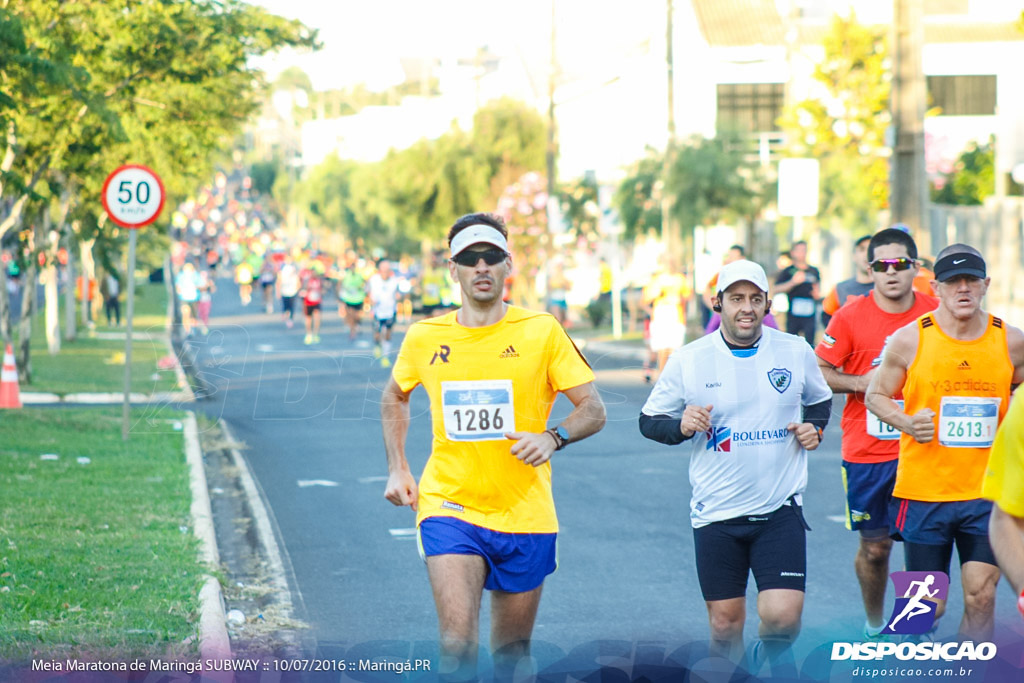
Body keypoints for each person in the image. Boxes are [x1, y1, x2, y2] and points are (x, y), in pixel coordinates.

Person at [382, 212, 606, 681]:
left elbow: (593, 408)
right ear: (454, 269)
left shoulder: (541, 330)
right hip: (450, 504)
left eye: (491, 258)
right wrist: (398, 467)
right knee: (455, 645)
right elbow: (394, 394)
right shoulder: (425, 337)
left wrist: (553, 436)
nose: (481, 267)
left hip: (525, 512)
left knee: (511, 655)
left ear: (508, 265)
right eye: (470, 259)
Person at [639, 259, 832, 675]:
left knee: (783, 618)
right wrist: (681, 425)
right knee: (725, 625)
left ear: (767, 303)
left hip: (779, 511)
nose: (747, 308)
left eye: (755, 299)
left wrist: (814, 429)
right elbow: (649, 421)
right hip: (716, 514)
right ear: (718, 303)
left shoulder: (794, 351)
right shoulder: (690, 359)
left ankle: (765, 656)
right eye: (737, 299)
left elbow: (819, 399)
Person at [865, 243, 1024, 641]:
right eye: (954, 282)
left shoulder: (1012, 342)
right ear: (936, 287)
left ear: (986, 284)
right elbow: (875, 396)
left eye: (972, 280)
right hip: (925, 492)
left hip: (985, 494)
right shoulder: (909, 340)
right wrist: (906, 421)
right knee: (923, 608)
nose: (964, 289)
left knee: (981, 595)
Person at [815, 228, 938, 641]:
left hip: (925, 448)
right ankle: (874, 622)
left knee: (921, 546)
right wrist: (862, 383)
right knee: (876, 546)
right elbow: (820, 373)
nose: (891, 273)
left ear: (915, 268)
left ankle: (915, 629)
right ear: (869, 270)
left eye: (900, 264)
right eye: (881, 265)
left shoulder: (936, 312)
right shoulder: (848, 316)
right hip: (868, 450)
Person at [982, 391, 1024, 620]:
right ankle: (911, 639)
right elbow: (1006, 517)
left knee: (980, 593)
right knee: (876, 549)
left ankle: (973, 655)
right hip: (920, 487)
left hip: (979, 491)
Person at [641, 261, 691, 380]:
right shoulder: (656, 280)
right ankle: (663, 377)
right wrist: (655, 297)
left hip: (676, 315)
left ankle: (673, 378)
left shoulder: (680, 279)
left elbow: (688, 296)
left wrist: (681, 299)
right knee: (662, 350)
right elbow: (644, 301)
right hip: (661, 316)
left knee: (674, 350)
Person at [820, 234, 873, 328]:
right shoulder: (840, 289)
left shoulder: (887, 288)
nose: (866, 254)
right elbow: (826, 316)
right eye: (862, 249)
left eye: (870, 250)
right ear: (854, 256)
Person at [773, 240, 821, 344]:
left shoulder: (814, 271)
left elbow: (818, 290)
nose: (802, 253)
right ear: (793, 253)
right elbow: (776, 289)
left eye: (804, 250)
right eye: (799, 250)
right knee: (791, 343)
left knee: (810, 344)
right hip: (793, 314)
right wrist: (793, 282)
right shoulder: (788, 271)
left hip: (810, 314)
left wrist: (817, 294)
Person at [367, 259, 401, 368]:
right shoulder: (374, 280)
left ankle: (385, 356)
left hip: (390, 311)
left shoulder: (394, 281)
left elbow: (398, 293)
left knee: (387, 334)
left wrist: (398, 297)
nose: (386, 272)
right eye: (383, 270)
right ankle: (377, 344)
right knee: (377, 334)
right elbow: (368, 293)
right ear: (380, 270)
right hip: (378, 311)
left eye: (387, 270)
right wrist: (370, 302)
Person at [337, 253, 367, 339]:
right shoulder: (346, 275)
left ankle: (357, 325)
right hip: (348, 299)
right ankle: (352, 331)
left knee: (357, 316)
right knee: (350, 315)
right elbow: (340, 284)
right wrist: (340, 295)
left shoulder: (359, 275)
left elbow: (364, 284)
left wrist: (361, 289)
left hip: (358, 299)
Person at [300, 260, 325, 345]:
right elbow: (303, 289)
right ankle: (308, 334)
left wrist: (322, 293)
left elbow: (323, 289)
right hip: (308, 301)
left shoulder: (319, 280)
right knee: (308, 318)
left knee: (317, 317)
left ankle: (315, 334)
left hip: (317, 301)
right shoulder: (308, 281)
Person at [277, 256, 301, 329]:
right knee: (287, 306)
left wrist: (298, 288)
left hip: (292, 290)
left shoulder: (294, 269)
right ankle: (287, 316)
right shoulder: (282, 270)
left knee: (291, 306)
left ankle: (289, 319)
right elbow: (279, 281)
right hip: (285, 291)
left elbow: (297, 280)